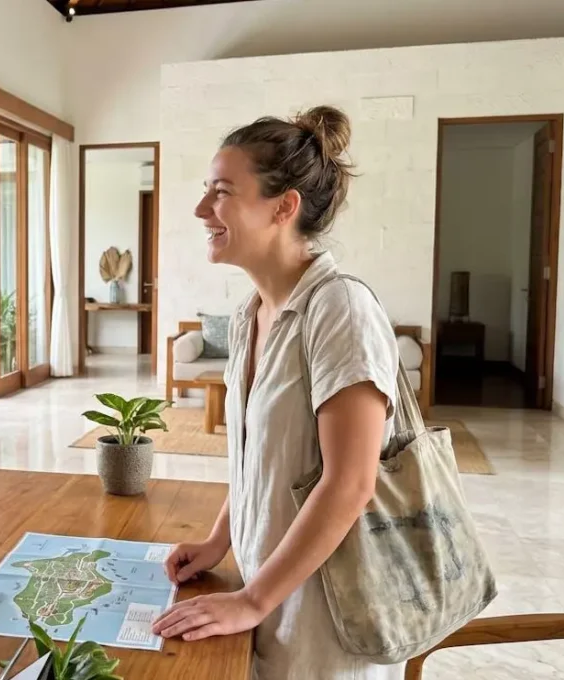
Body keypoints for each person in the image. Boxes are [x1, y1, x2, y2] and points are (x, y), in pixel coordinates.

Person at [151, 106, 404, 679]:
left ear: (283, 207)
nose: (201, 209)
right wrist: (219, 540)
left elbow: (351, 484)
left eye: (221, 192)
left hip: (323, 629)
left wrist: (252, 600)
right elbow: (257, 461)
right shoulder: (251, 313)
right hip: (264, 599)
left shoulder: (340, 309)